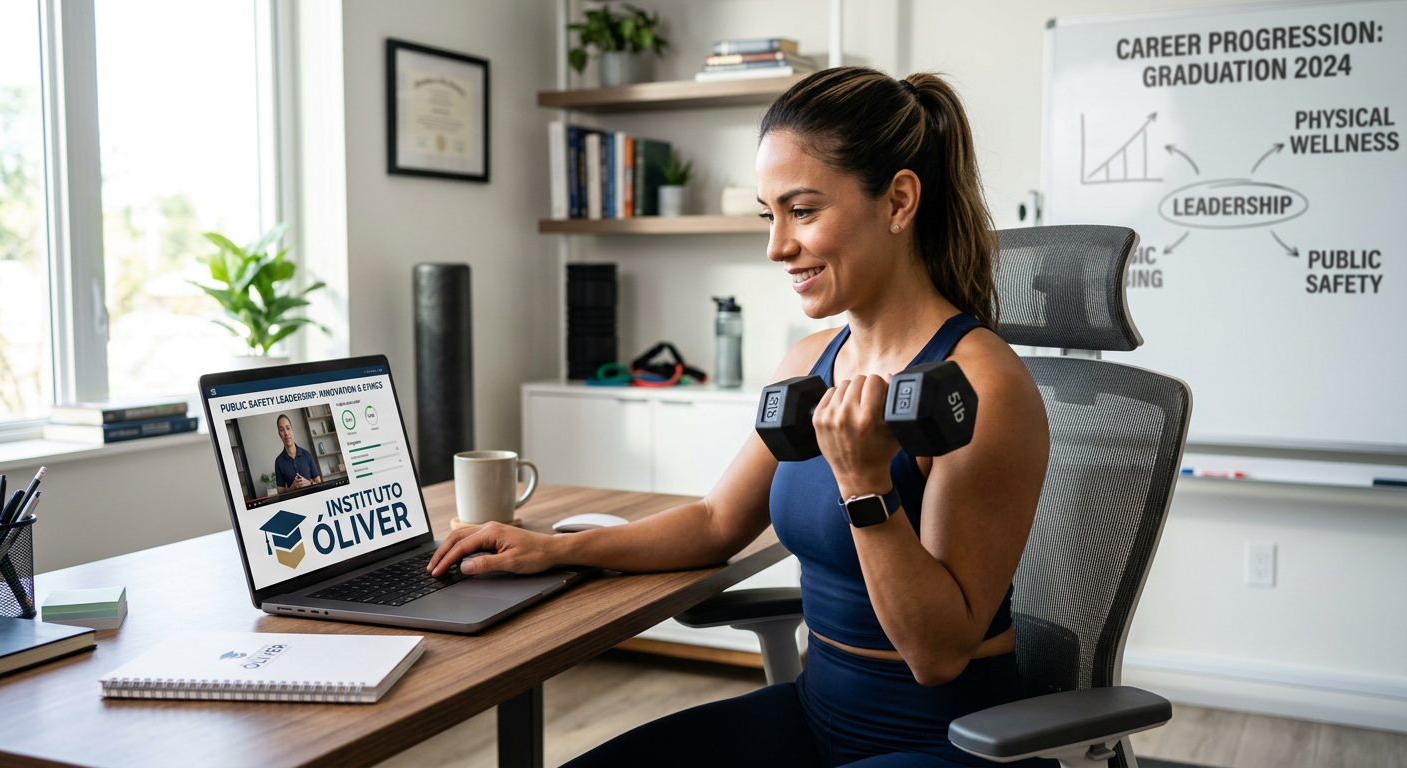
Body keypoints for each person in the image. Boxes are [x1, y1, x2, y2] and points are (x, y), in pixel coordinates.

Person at [429, 67, 1051, 767]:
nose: (776, 246)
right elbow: (717, 522)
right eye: (768, 214)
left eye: (803, 210)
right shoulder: (811, 360)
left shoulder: (983, 385)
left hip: (946, 742)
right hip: (817, 716)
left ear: (899, 201)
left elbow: (937, 654)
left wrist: (864, 483)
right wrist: (553, 548)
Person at [273, 414, 321, 494]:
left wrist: (309, 483)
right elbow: (280, 492)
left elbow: (319, 483)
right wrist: (291, 488)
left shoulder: (307, 455)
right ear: (279, 434)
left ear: (292, 430)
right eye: (282, 430)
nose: (286, 433)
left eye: (288, 428)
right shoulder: (278, 461)